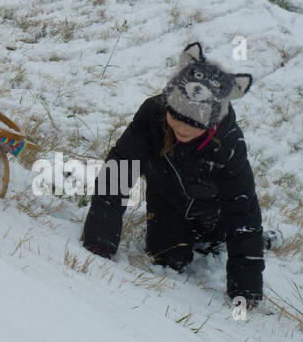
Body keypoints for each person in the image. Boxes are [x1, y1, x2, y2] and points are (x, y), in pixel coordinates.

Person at [81, 43, 268, 308]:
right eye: (176, 117)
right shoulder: (152, 115)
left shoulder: (229, 143)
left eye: (193, 124)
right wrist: (99, 239)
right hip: (165, 200)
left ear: (211, 123)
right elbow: (119, 170)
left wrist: (245, 289)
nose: (181, 128)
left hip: (211, 213)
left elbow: (242, 210)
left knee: (212, 244)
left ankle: (261, 239)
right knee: (166, 258)